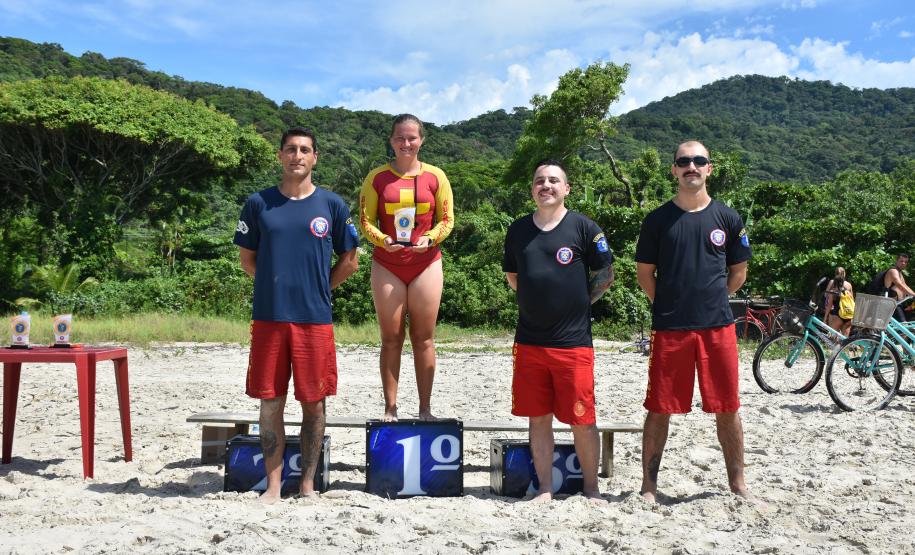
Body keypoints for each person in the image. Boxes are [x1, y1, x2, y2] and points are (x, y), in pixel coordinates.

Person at [234, 127, 359, 503]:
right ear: (280, 155)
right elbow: (247, 260)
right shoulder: (258, 203)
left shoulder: (332, 205)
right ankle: (273, 486)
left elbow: (350, 261)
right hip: (269, 317)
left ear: (315, 157)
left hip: (314, 320)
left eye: (305, 150)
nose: (297, 156)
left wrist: (318, 289)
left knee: (314, 402)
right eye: (290, 149)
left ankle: (307, 485)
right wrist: (276, 287)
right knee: (270, 402)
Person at [635, 140, 752, 502]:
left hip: (717, 327)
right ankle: (649, 487)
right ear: (674, 169)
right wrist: (669, 304)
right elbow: (645, 275)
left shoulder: (728, 218)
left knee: (727, 407)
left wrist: (712, 300)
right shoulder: (657, 220)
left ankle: (738, 485)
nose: (692, 166)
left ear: (709, 169)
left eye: (699, 160)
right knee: (659, 408)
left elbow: (738, 272)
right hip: (671, 328)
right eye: (684, 161)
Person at [503, 159, 615, 502]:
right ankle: (545, 489)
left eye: (554, 180)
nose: (546, 186)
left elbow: (605, 275)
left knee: (582, 419)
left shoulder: (584, 227)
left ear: (566, 188)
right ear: (532, 189)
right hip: (529, 342)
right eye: (540, 181)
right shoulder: (518, 230)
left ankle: (591, 489)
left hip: (573, 343)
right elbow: (513, 278)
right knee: (538, 419)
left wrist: (579, 301)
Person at [359, 114, 455, 421]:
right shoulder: (376, 177)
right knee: (391, 338)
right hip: (387, 263)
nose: (406, 143)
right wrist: (383, 240)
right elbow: (365, 221)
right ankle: (390, 408)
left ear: (421, 140)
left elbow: (447, 220)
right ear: (391, 140)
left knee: (424, 338)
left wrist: (430, 238)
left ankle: (425, 409)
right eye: (400, 137)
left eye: (412, 137)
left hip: (426, 263)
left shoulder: (436, 176)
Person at [867, 254, 914, 322]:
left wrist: (913, 294)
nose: (903, 263)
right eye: (901, 261)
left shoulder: (899, 273)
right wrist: (913, 295)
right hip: (885, 303)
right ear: (896, 261)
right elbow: (900, 285)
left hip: (895, 304)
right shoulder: (893, 271)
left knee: (903, 325)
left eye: (905, 262)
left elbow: (905, 286)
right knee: (903, 325)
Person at [823, 267, 854, 336]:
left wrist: (825, 318)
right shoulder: (849, 285)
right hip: (848, 316)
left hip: (838, 315)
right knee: (844, 340)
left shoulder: (833, 290)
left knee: (831, 336)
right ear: (844, 274)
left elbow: (829, 304)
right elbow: (852, 301)